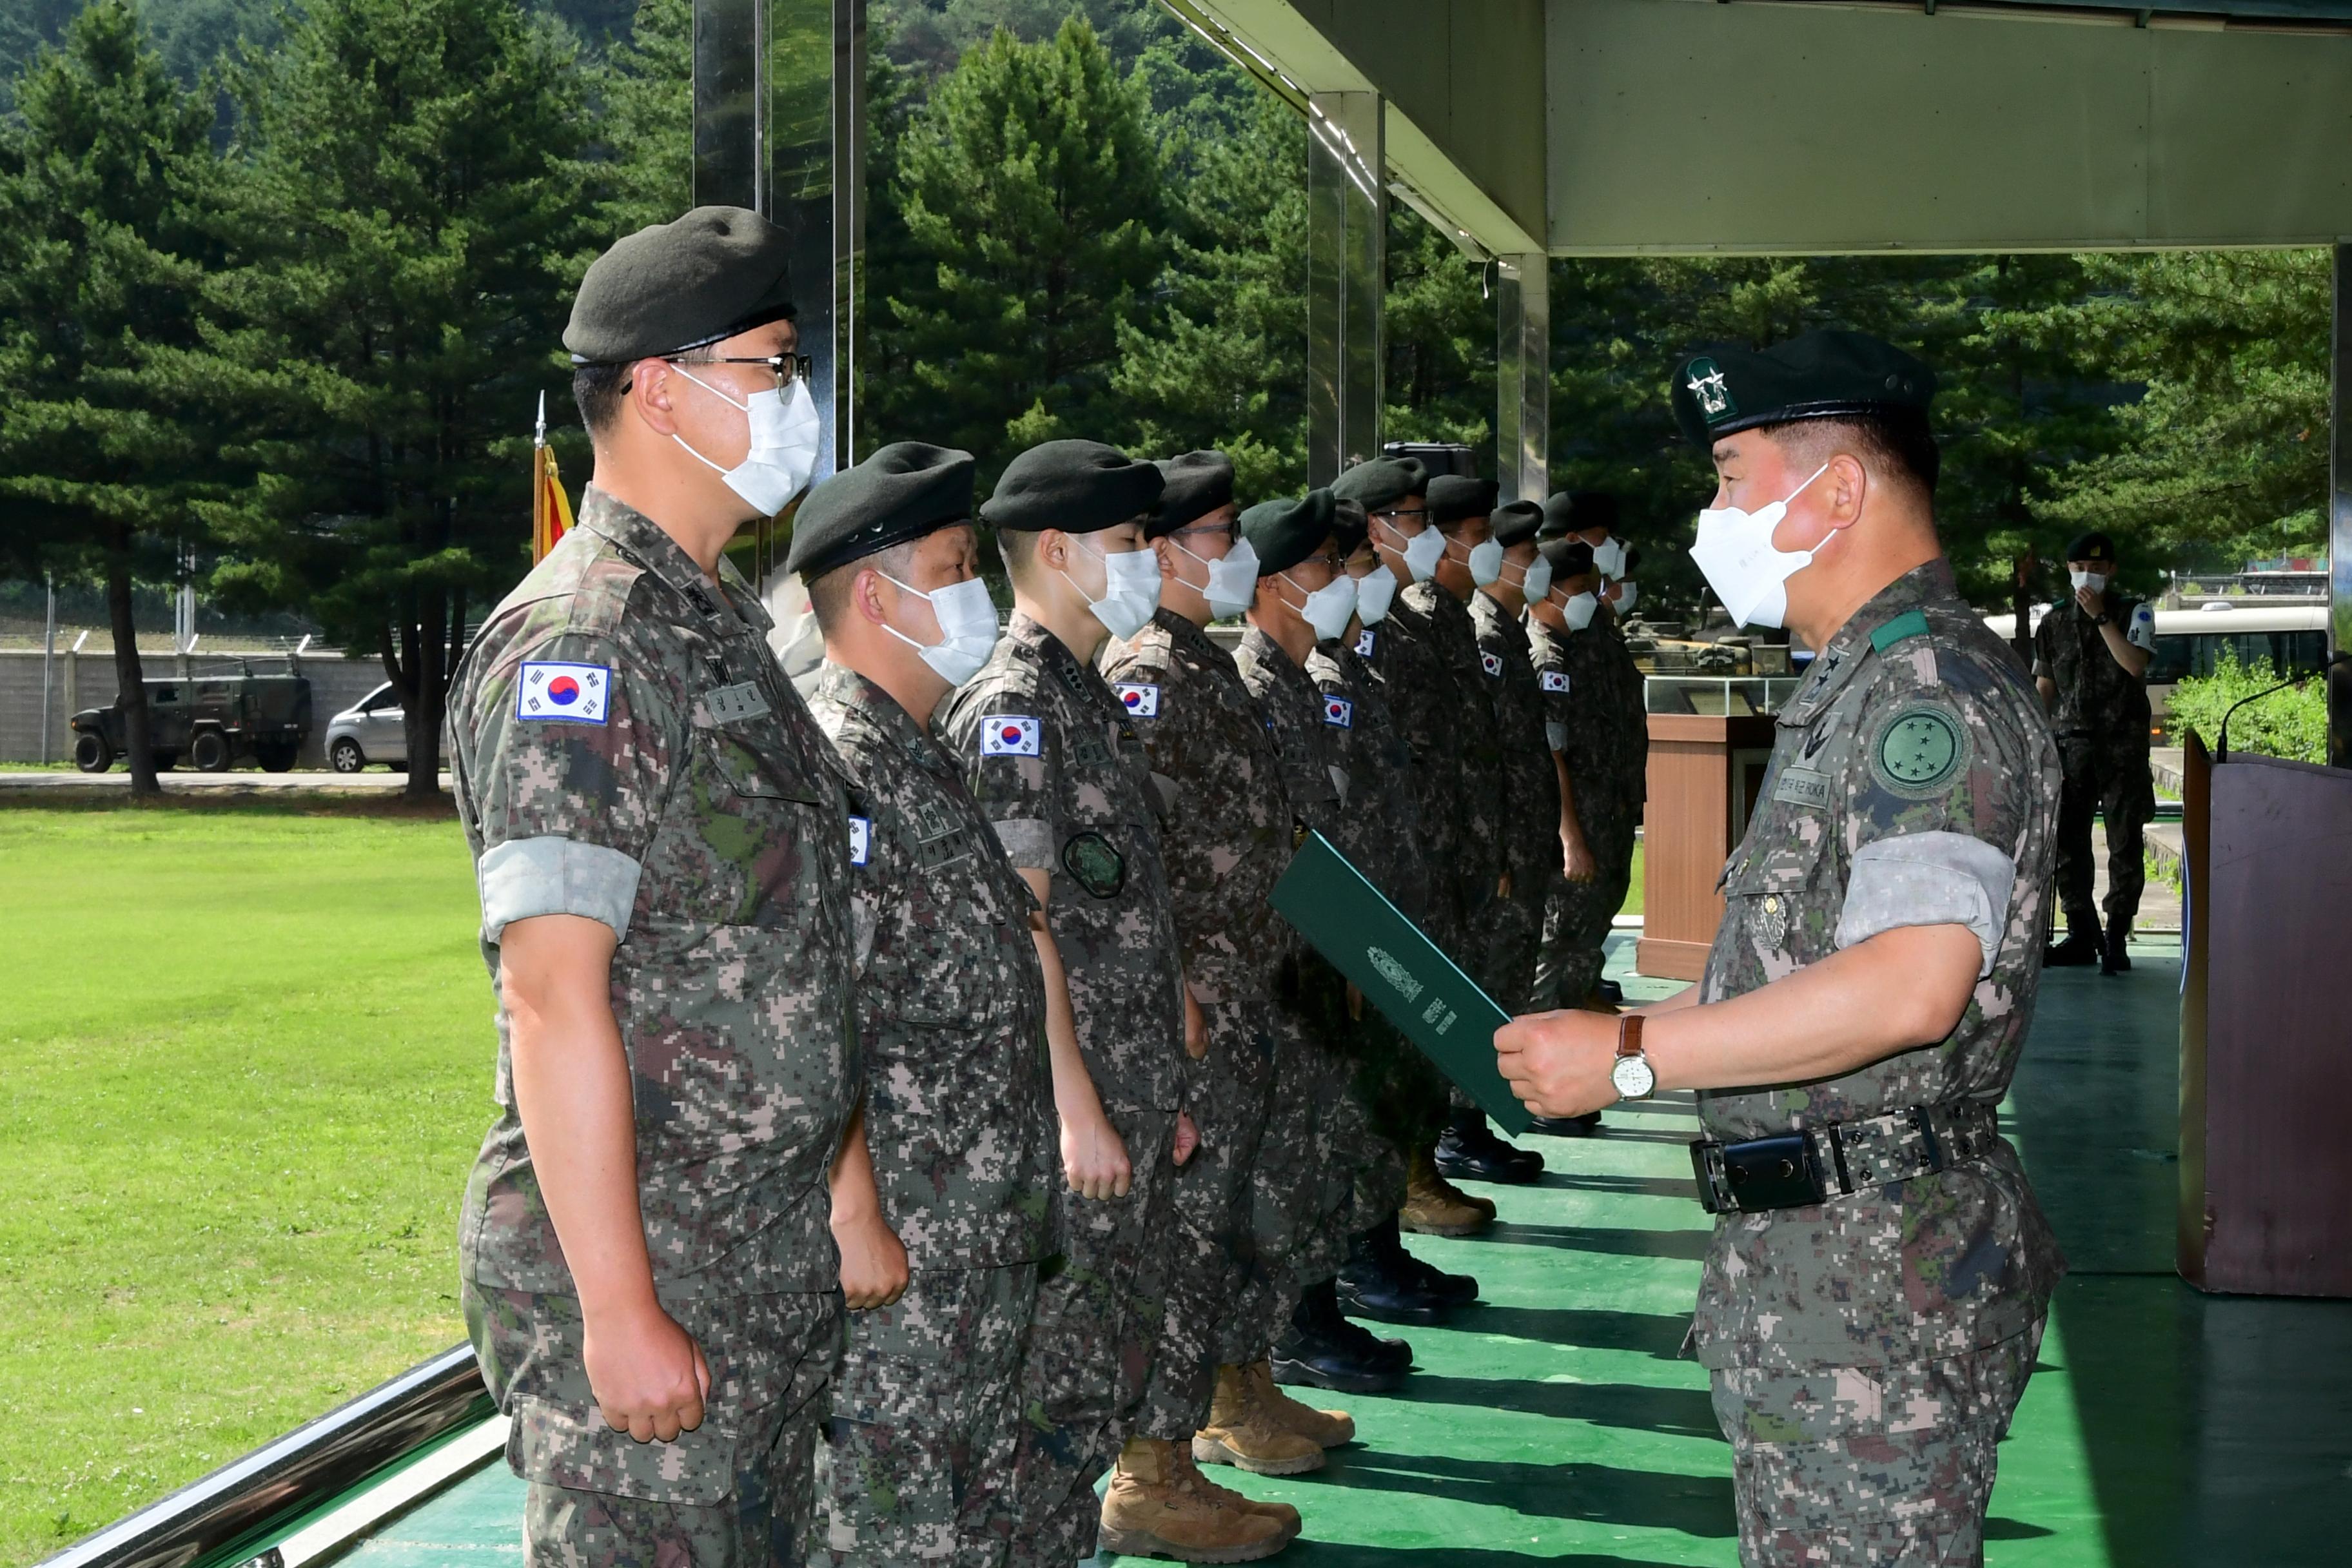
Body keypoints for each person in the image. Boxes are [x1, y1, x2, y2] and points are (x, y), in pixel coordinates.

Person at [1496, 329, 2066, 1567]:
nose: (1715, 516)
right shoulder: (1852, 686)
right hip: (1825, 1262)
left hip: (1877, 1281)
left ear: (1839, 491)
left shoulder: (1928, 694)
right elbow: (1788, 957)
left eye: (1731, 476)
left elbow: (1913, 984)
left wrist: (1634, 1054)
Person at [450, 206, 853, 1567]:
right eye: (773, 366)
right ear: (663, 390)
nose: (798, 402)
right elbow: (552, 998)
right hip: (659, 1271)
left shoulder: (707, 618)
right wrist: (617, 1311)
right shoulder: (590, 642)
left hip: (752, 1265)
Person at [936, 440, 1281, 1566]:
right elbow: (1020, 924)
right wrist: (1078, 1103)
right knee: (1057, 1372)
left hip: (1131, 1079)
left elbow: (1127, 900)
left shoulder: (1084, 697)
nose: (1145, 563)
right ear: (1055, 551)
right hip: (1064, 1109)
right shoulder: (1016, 709)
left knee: (1107, 1352)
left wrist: (1158, 1070)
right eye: (1130, 543)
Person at [790, 442, 1057, 1568]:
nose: (977, 598)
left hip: (974, 1228)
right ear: (873, 594)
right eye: (954, 569)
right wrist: (854, 1209)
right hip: (903, 1245)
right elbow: (819, 1005)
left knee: (975, 1512)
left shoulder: (921, 753)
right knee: (895, 1530)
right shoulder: (835, 761)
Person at [1095, 449, 1341, 1514]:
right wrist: (1177, 993)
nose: (1237, 553)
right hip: (1195, 999)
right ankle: (1155, 1463)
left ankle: (1241, 1383)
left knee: (1232, 1215)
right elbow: (1133, 856)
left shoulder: (1198, 663)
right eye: (1220, 535)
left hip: (1248, 989)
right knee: (1185, 1235)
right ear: (1161, 548)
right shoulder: (1149, 669)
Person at [1230, 488, 1421, 1395]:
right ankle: (1289, 1335)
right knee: (1288, 1158)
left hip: (1320, 959)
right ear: (1271, 585)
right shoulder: (1257, 688)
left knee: (1321, 1143)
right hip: (1279, 970)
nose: (1348, 584)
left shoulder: (1299, 685)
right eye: (1325, 570)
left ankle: (1305, 1320)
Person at [1311, 500, 1481, 1329]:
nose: (1364, 584)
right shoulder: (1318, 679)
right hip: (1351, 930)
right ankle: (1349, 1272)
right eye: (1348, 570)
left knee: (1382, 1094)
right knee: (1347, 1111)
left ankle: (1376, 1247)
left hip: (1393, 912)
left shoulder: (1359, 665)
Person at [1417, 473, 1544, 1189]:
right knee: (1469, 993)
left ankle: (1470, 1124)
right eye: (1482, 539)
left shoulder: (1458, 621)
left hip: (1486, 845)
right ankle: (1456, 1133)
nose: (1490, 553)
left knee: (1494, 985)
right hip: (1447, 857)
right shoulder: (1432, 624)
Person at [2032, 530, 2157, 974]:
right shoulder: (2053, 623)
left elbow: (2135, 665)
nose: (2090, 575)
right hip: (2070, 746)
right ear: (2069, 571)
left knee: (2124, 840)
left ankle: (2118, 933)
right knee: (2069, 843)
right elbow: (2046, 684)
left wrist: (2102, 618)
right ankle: (2082, 931)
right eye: (2082, 568)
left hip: (2121, 744)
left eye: (2099, 569)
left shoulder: (2133, 612)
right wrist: (2034, 733)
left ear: (2113, 571)